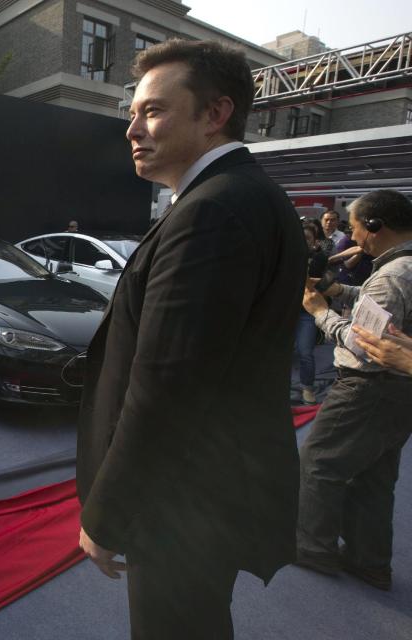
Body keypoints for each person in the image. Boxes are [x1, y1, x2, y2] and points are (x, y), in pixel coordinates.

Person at [75, 39, 305, 638]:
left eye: (152, 111)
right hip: (204, 487)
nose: (132, 128)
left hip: (182, 498)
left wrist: (108, 512)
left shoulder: (215, 212)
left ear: (214, 114)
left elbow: (166, 385)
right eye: (133, 113)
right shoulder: (237, 198)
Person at [298, 189, 412, 591]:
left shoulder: (394, 273)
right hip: (399, 394)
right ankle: (370, 561)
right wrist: (336, 290)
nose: (352, 234)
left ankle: (312, 547)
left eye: (355, 225)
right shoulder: (403, 269)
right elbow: (374, 303)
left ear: (376, 226)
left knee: (319, 461)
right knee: (374, 478)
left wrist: (320, 312)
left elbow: (365, 342)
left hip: (367, 389)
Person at [296, 223, 328, 404]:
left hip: (306, 312)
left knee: (305, 352)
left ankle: (307, 387)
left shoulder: (319, 258)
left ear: (314, 242)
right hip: (284, 312)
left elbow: (321, 279)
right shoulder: (285, 257)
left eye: (307, 239)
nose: (302, 242)